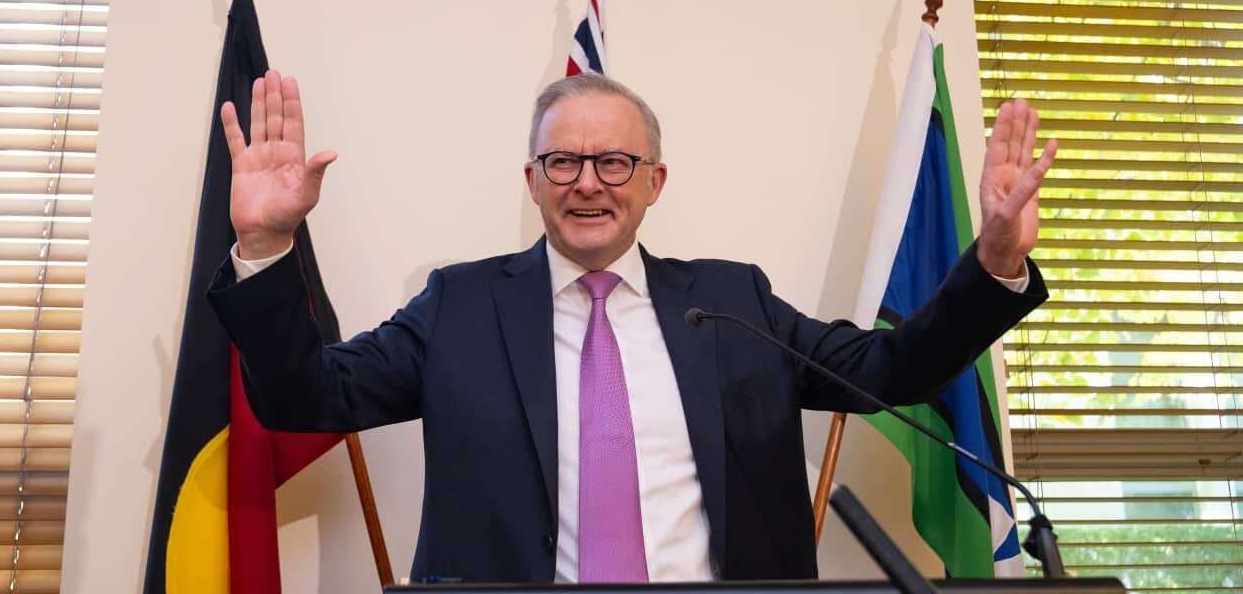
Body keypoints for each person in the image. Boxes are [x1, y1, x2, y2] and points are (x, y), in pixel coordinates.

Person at [207, 70, 1057, 583]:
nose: (588, 183)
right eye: (563, 162)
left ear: (653, 180)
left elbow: (889, 371)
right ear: (532, 181)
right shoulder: (460, 307)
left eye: (613, 161)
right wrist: (265, 241)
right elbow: (306, 398)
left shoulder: (734, 304)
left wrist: (991, 264)